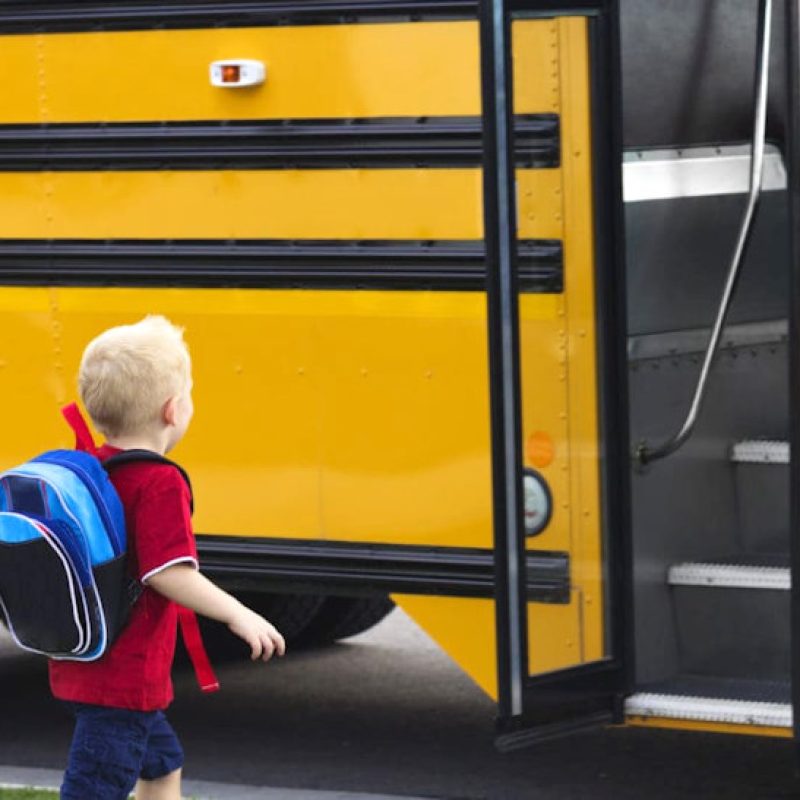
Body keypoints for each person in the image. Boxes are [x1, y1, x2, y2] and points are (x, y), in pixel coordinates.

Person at [50, 315, 286, 800]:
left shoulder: (92, 468)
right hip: (124, 678)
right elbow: (169, 572)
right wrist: (237, 613)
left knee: (161, 765)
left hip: (86, 664)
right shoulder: (159, 482)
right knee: (94, 789)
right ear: (174, 410)